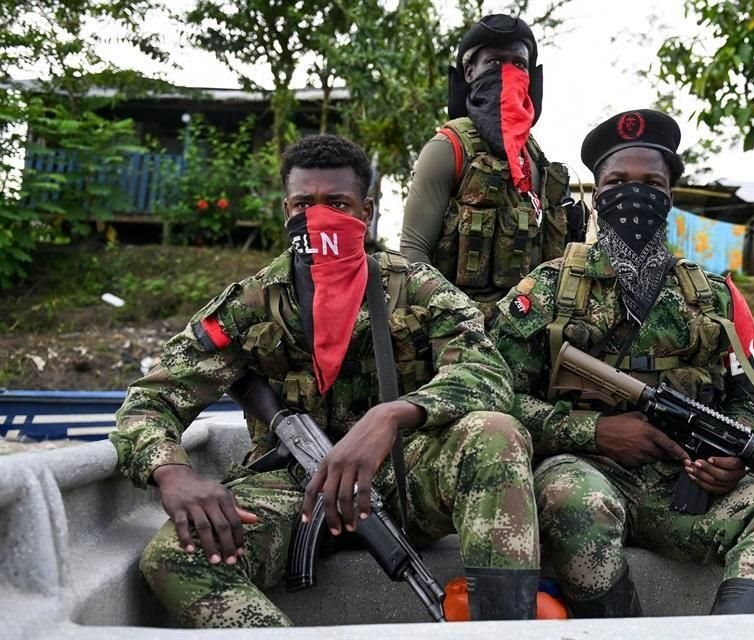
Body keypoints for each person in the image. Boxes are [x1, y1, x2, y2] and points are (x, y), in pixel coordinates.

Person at [111, 134, 541, 627]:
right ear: (285, 210)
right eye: (303, 204)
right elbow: (152, 400)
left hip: (401, 478)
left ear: (367, 211)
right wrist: (175, 474)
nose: (319, 217)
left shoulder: (415, 288)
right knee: (173, 556)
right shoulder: (252, 303)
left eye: (337, 203)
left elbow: (487, 374)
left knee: (495, 433)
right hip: (293, 489)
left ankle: (507, 631)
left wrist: (391, 417)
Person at [492, 109, 754, 618]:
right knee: (571, 498)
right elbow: (495, 400)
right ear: (597, 195)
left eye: (651, 183)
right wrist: (595, 432)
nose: (635, 194)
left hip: (684, 487)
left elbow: (746, 400)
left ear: (668, 197)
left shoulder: (714, 297)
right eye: (617, 182)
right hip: (586, 473)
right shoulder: (546, 289)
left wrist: (730, 458)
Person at [399, 13, 585, 324]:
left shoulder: (537, 159)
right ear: (469, 72)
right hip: (461, 339)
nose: (509, 74)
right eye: (495, 63)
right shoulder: (448, 148)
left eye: (519, 65)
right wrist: (458, 322)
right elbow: (413, 254)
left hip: (528, 335)